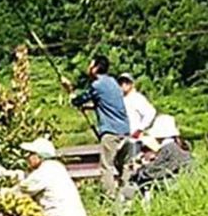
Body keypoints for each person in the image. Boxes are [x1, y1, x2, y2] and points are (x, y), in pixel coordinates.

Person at [65, 54, 132, 201]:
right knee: (125, 166)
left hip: (111, 133)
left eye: (91, 64)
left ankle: (111, 199)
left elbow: (79, 100)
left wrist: (70, 92)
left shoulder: (97, 85)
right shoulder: (113, 83)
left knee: (107, 166)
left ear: (95, 68)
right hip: (125, 131)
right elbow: (103, 103)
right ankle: (127, 194)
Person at [128, 114, 193, 194]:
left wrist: (139, 169)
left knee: (132, 187)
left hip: (172, 184)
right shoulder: (180, 146)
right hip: (182, 182)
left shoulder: (169, 148)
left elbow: (152, 172)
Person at [119, 74, 157, 140]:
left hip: (134, 136)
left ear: (132, 84)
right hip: (122, 135)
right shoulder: (120, 99)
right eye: (121, 82)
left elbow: (151, 112)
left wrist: (140, 129)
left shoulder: (137, 98)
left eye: (126, 82)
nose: (123, 84)